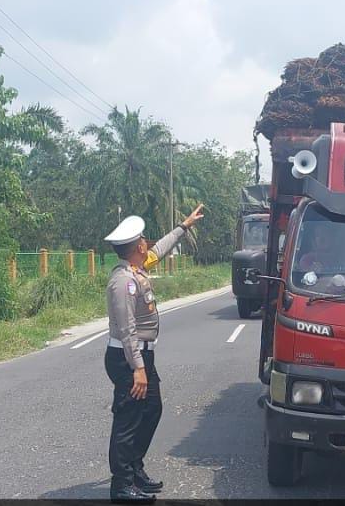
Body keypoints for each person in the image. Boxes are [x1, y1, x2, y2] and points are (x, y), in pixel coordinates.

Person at [104, 204, 205, 503]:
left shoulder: (137, 267)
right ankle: (121, 485)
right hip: (127, 358)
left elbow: (160, 248)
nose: (147, 241)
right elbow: (126, 329)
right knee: (128, 419)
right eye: (143, 239)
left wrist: (184, 226)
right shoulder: (123, 281)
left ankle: (134, 469)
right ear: (137, 246)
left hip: (141, 357)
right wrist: (137, 368)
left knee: (151, 409)